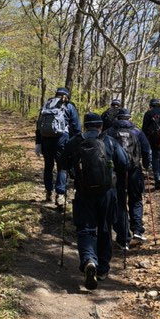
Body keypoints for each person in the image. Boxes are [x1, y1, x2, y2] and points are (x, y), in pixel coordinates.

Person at [61, 112, 128, 290]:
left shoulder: (76, 141)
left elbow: (62, 163)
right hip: (107, 192)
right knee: (105, 228)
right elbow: (124, 162)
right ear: (100, 126)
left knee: (85, 229)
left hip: (84, 192)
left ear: (85, 126)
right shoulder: (109, 141)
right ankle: (103, 269)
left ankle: (89, 259)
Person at [105, 108, 152, 248]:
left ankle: (123, 237)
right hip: (134, 171)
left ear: (117, 118)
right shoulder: (137, 132)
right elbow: (146, 150)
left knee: (119, 203)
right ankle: (137, 230)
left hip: (116, 173)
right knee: (136, 199)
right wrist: (146, 165)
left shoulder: (109, 132)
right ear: (129, 118)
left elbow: (103, 151)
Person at [35, 87, 81, 208]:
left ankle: (48, 192)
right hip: (62, 140)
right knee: (62, 167)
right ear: (67, 95)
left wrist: (38, 143)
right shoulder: (69, 106)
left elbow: (39, 125)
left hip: (46, 141)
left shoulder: (47, 105)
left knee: (48, 166)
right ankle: (60, 195)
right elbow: (76, 127)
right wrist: (76, 143)